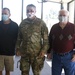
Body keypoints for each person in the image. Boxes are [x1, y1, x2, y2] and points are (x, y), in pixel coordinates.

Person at [16, 4, 49, 75]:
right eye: (27, 10)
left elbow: (46, 39)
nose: (29, 12)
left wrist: (43, 51)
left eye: (31, 10)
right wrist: (18, 48)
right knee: (24, 73)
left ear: (35, 11)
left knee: (36, 73)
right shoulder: (23, 23)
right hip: (24, 53)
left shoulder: (41, 23)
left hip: (37, 54)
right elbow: (19, 38)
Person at [47, 9, 75, 75]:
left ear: (68, 16)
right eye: (60, 15)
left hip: (69, 57)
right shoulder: (54, 27)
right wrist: (48, 52)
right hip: (56, 57)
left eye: (64, 15)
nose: (62, 17)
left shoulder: (73, 27)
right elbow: (50, 40)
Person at [0, 8, 18, 75]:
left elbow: (17, 38)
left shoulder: (15, 25)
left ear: (9, 15)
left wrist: (17, 49)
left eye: (5, 13)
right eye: (2, 13)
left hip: (10, 52)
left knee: (8, 71)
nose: (3, 15)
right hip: (0, 53)